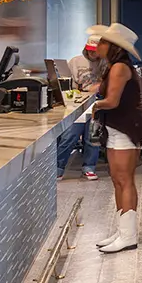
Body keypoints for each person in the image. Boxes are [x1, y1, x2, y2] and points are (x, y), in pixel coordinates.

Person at [89, 23, 142, 254]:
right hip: (119, 125)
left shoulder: (119, 68)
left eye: (103, 42)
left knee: (124, 179)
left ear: (114, 46)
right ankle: (122, 230)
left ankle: (128, 236)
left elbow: (112, 101)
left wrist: (93, 105)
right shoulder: (114, 67)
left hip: (129, 125)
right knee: (117, 178)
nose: (99, 45)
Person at [56, 34, 103, 180]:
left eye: (95, 50)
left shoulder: (105, 64)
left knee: (92, 136)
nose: (92, 53)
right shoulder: (75, 61)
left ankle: (89, 167)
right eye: (89, 50)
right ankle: (58, 167)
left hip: (98, 103)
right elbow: (68, 82)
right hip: (78, 102)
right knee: (70, 135)